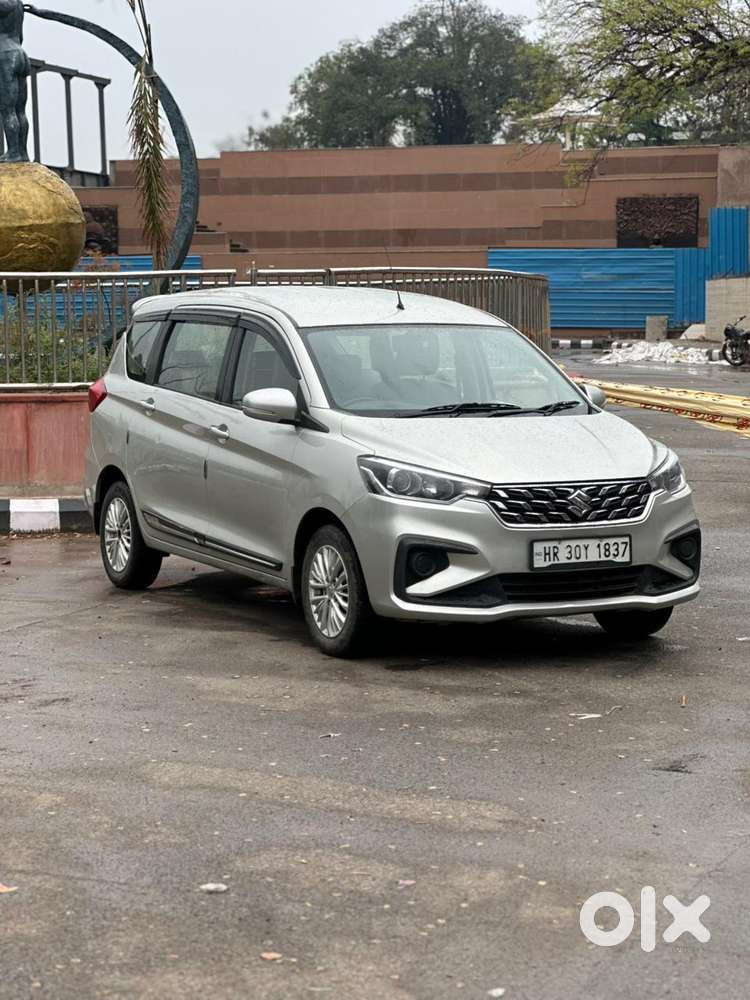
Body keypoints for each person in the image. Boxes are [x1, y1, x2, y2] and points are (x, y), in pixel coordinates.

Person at [0, 0, 30, 163]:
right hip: (20, 53)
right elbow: (21, 36)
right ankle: (22, 152)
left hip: (4, 54)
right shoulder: (17, 3)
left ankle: (13, 152)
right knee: (20, 110)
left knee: (7, 109)